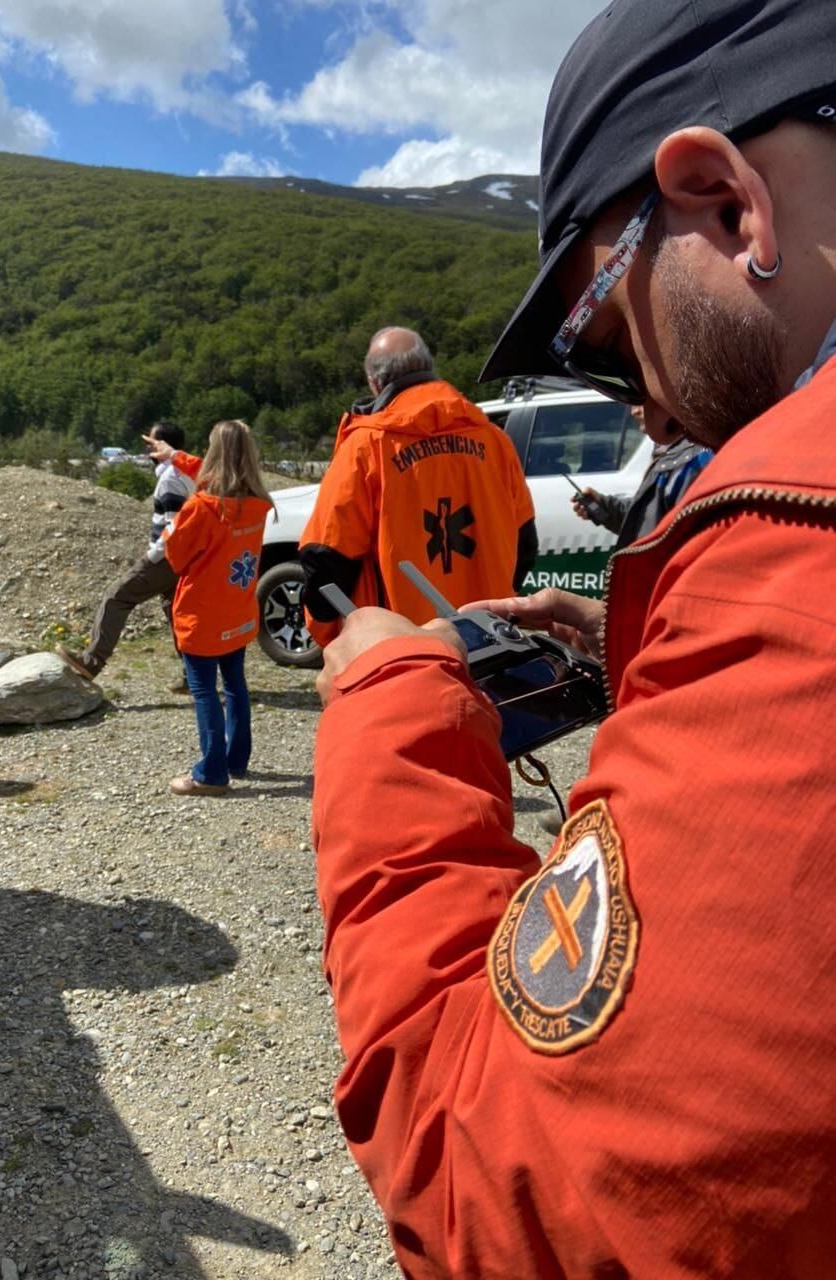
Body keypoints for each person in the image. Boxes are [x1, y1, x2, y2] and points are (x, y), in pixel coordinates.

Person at [310, 2, 836, 1276]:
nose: (647, 409)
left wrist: (383, 707)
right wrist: (657, 653)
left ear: (724, 203)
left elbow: (519, 1201)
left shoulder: (796, 559)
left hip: (426, 660)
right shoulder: (491, 439)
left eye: (607, 339)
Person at [298, 327, 535, 645]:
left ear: (375, 381)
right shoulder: (494, 440)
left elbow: (327, 557)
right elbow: (525, 543)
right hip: (489, 639)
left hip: (403, 648)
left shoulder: (368, 446)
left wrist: (334, 637)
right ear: (428, 366)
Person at [160, 420, 272, 797]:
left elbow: (174, 557)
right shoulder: (257, 503)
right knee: (236, 685)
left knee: (205, 691)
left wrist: (169, 528)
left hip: (202, 617)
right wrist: (175, 456)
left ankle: (211, 773)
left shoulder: (202, 507)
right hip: (237, 615)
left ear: (214, 455)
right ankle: (235, 760)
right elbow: (214, 475)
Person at [56, 420, 195, 690]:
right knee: (176, 615)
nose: (146, 451)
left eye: (150, 444)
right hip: (182, 560)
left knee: (116, 597)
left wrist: (152, 558)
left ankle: (91, 661)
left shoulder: (170, 480)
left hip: (166, 559)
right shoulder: (184, 473)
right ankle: (193, 677)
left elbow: (174, 528)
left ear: (161, 446)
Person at [572, 405, 713, 549]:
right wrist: (605, 506)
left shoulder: (694, 462)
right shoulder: (669, 454)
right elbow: (649, 520)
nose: (634, 411)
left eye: (641, 400)